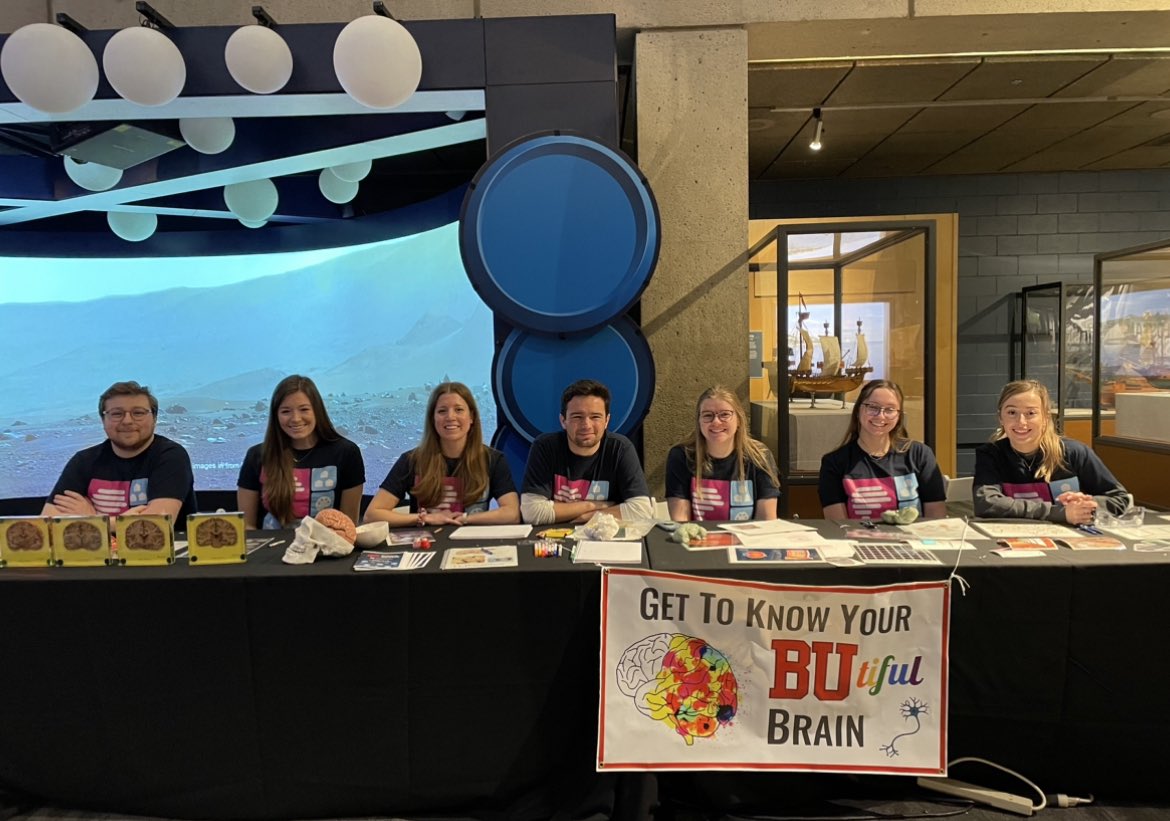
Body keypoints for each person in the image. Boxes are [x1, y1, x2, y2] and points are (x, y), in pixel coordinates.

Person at [973, 379, 1131, 523]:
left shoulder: (1074, 452)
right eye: (1012, 412)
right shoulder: (990, 454)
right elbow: (986, 503)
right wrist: (1058, 513)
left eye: (1031, 413)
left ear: (1045, 418)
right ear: (1000, 417)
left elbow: (1120, 499)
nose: (1021, 422)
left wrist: (1086, 505)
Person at [364, 382, 520, 526]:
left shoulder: (493, 460)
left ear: (471, 417)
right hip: (424, 547)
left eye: (459, 409)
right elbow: (372, 515)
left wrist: (466, 519)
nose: (450, 417)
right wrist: (424, 518)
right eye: (442, 411)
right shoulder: (411, 460)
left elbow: (512, 513)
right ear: (433, 418)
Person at [42, 381, 197, 523]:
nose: (127, 421)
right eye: (117, 414)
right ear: (103, 420)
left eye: (138, 413)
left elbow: (154, 526)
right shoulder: (83, 461)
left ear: (154, 418)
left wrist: (94, 519)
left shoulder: (171, 456)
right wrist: (118, 522)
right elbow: (47, 523)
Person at [237, 375, 365, 530]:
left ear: (317, 411)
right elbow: (247, 526)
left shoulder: (346, 453)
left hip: (326, 551)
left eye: (304, 409)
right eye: (286, 411)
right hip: (271, 552)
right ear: (276, 415)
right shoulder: (256, 456)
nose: (296, 419)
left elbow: (348, 527)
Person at [520, 379, 654, 524]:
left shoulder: (620, 448)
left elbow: (642, 510)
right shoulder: (545, 447)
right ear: (563, 421)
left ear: (607, 421)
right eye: (577, 417)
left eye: (595, 417)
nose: (586, 425)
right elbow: (532, 513)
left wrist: (587, 517)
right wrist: (591, 505)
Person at [818, 379, 946, 521]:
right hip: (858, 541)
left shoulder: (919, 454)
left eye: (890, 409)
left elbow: (936, 519)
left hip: (914, 540)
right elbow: (838, 526)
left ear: (898, 416)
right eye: (873, 407)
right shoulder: (834, 463)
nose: (880, 416)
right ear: (858, 410)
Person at [666, 386, 780, 522]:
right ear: (699, 421)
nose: (716, 422)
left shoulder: (760, 456)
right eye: (708, 415)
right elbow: (681, 522)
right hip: (698, 541)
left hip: (746, 541)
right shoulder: (681, 456)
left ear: (739, 419)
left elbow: (766, 521)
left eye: (724, 414)